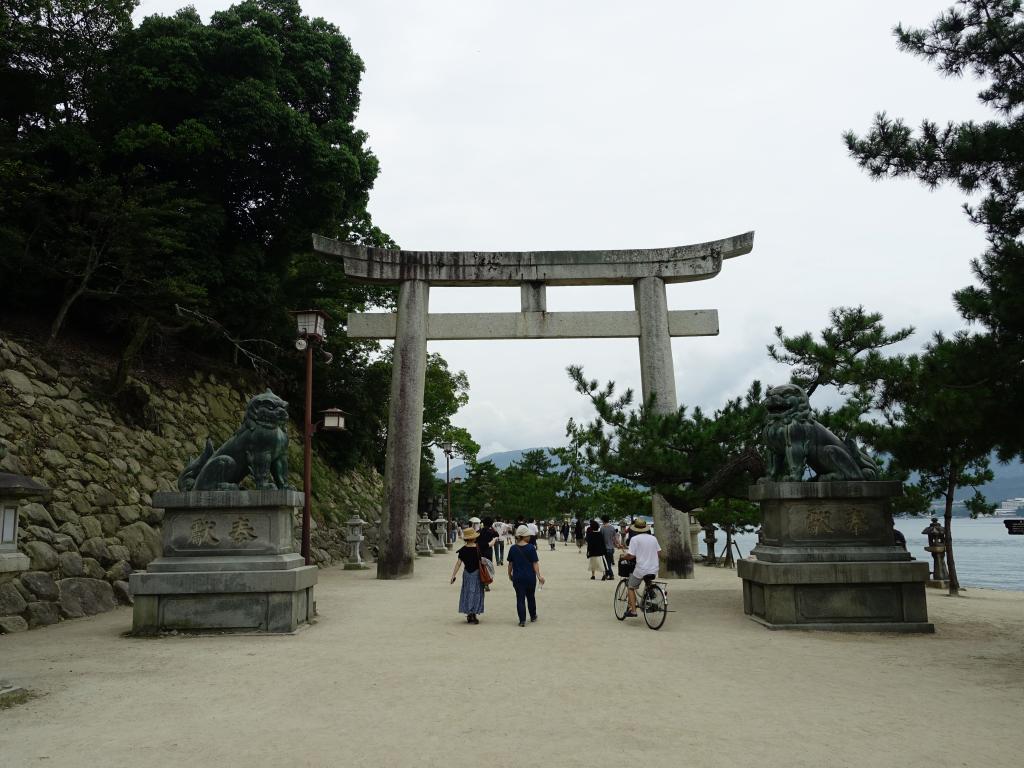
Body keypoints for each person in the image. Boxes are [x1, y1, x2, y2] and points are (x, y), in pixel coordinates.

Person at [619, 519, 660, 617]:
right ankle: (650, 596)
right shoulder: (653, 538)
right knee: (648, 581)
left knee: (630, 587)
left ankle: (633, 611)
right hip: (654, 568)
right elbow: (658, 552)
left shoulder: (635, 539)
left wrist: (623, 556)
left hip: (641, 568)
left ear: (635, 529)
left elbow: (631, 556)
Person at [506, 524, 545, 626]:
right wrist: (539, 576)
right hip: (530, 577)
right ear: (525, 536)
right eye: (528, 535)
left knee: (520, 598)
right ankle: (533, 616)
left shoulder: (513, 548)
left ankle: (522, 620)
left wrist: (509, 574)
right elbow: (535, 563)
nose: (529, 537)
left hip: (518, 577)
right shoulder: (531, 548)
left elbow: (510, 564)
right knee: (531, 597)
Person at [450, 528, 485, 624]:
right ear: (474, 538)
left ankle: (469, 613)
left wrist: (453, 575)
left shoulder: (463, 550)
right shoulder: (478, 549)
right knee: (476, 592)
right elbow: (482, 561)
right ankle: (473, 613)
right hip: (477, 573)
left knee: (467, 592)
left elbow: (458, 563)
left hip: (466, 573)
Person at [477, 517, 499, 591]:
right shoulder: (491, 531)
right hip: (488, 550)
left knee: (480, 566)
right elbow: (497, 535)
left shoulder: (479, 531)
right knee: (488, 567)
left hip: (480, 551)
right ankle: (487, 583)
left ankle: (481, 582)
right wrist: (492, 527)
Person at [599, 515, 619, 581]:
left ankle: (611, 574)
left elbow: (600, 539)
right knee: (609, 562)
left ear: (603, 520)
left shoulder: (602, 528)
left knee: (606, 563)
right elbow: (615, 538)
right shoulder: (612, 528)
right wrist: (618, 545)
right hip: (611, 548)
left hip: (605, 548)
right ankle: (608, 574)